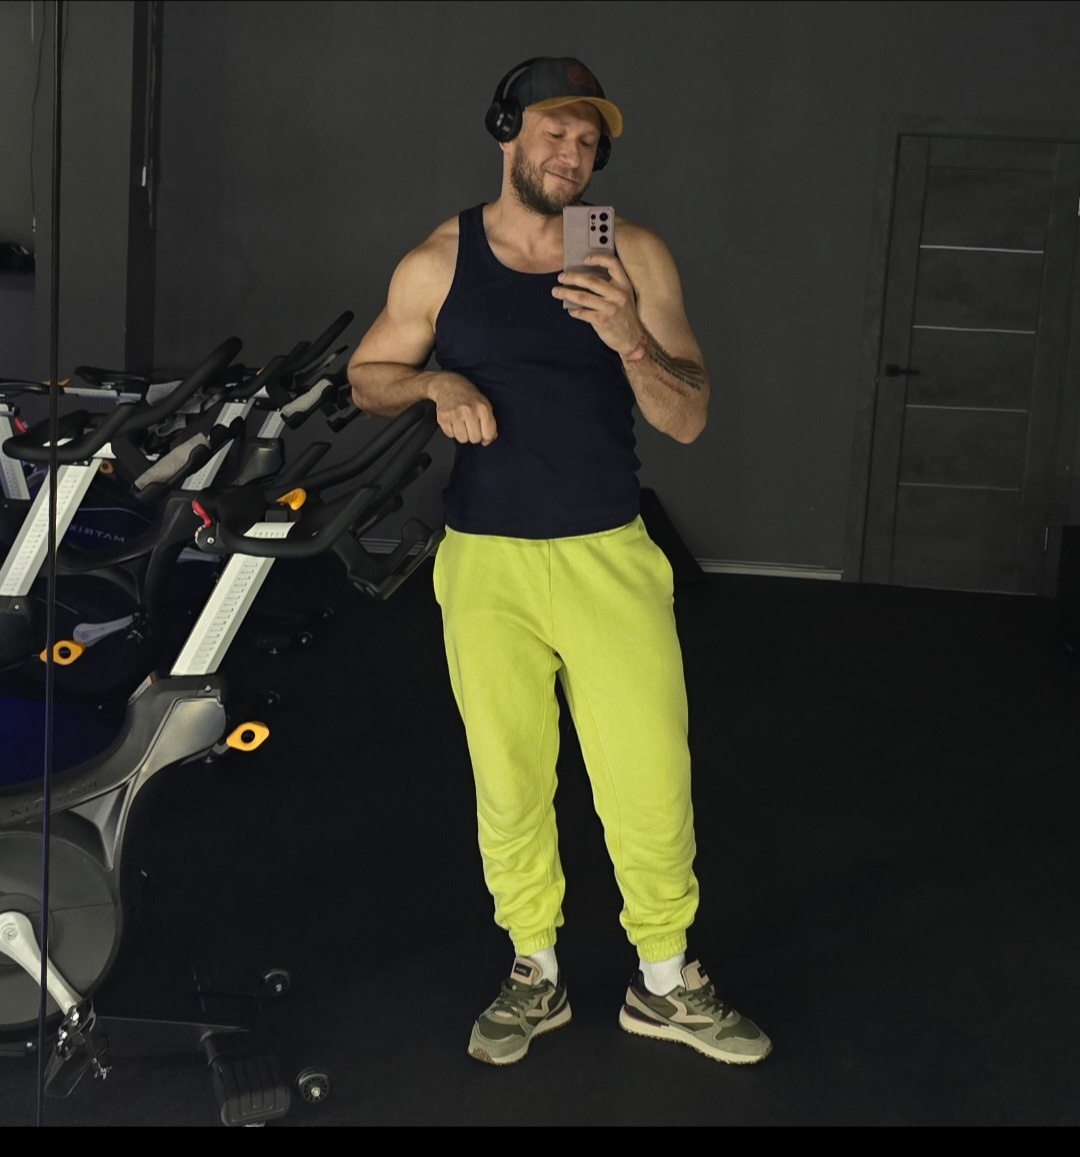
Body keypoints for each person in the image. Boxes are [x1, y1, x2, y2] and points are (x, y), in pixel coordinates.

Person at [348, 56, 771, 1068]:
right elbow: (368, 376)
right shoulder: (440, 259)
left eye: (589, 142)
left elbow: (687, 416)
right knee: (509, 780)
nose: (573, 155)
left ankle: (663, 979)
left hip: (606, 554)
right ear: (508, 132)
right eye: (554, 132)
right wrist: (435, 382)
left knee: (649, 780)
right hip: (485, 561)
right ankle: (533, 970)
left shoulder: (628, 254)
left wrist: (629, 336)